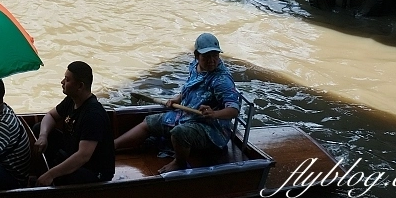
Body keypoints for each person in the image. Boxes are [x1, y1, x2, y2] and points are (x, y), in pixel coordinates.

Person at [113, 33, 240, 174]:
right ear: (197, 56)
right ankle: (113, 146)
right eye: (206, 57)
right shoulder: (195, 66)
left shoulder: (222, 80)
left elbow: (234, 109)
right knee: (149, 122)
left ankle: (179, 163)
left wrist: (214, 113)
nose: (211, 61)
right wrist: (178, 98)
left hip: (211, 128)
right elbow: (191, 88)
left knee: (180, 133)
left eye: (215, 56)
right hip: (186, 115)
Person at [32, 61, 114, 186]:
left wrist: (51, 174)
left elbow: (83, 156)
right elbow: (51, 116)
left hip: (93, 170)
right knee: (38, 128)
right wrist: (43, 135)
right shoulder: (71, 100)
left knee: (63, 178)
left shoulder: (93, 115)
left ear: (80, 86)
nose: (62, 82)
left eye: (67, 80)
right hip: (71, 150)